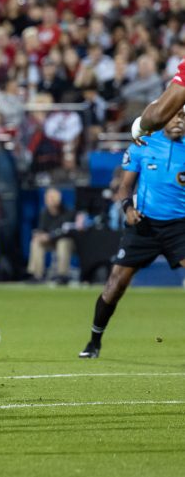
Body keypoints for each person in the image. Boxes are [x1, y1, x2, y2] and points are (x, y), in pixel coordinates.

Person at [79, 108, 185, 358]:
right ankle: (94, 342)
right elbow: (125, 188)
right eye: (175, 115)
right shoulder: (143, 144)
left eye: (183, 116)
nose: (179, 120)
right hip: (143, 225)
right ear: (162, 118)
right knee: (115, 284)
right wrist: (127, 209)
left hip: (180, 227)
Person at [27, 187, 75, 284]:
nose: (51, 200)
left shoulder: (68, 212)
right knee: (36, 242)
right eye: (48, 197)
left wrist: (49, 236)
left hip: (68, 242)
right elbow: (42, 229)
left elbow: (65, 231)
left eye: (53, 197)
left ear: (59, 198)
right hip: (51, 242)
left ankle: (62, 275)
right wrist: (40, 235)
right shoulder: (44, 213)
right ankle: (37, 274)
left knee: (63, 243)